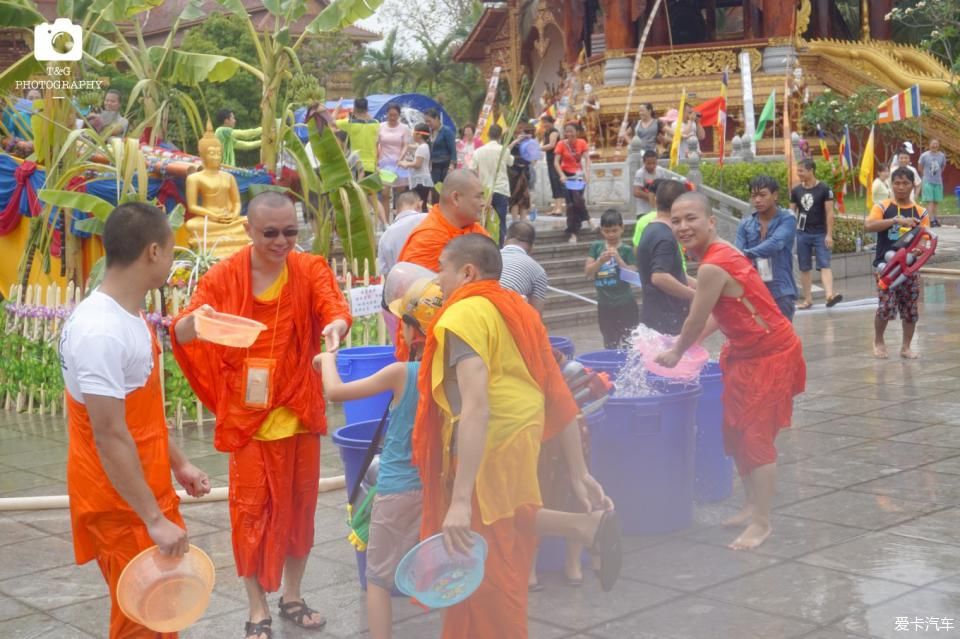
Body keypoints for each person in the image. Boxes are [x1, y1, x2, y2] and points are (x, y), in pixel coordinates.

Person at [417, 233, 620, 638]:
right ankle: (587, 527)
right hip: (521, 437)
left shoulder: (465, 314)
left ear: (468, 272)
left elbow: (477, 406)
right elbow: (555, 389)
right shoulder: (520, 308)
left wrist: (459, 500)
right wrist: (579, 473)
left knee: (484, 567)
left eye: (442, 267)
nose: (437, 280)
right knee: (509, 522)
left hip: (487, 444)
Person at [171, 192, 351, 639]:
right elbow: (182, 329)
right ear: (249, 231)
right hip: (249, 419)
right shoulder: (225, 275)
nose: (281, 241)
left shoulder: (309, 269)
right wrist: (200, 320)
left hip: (298, 412)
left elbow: (334, 307)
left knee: (300, 511)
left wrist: (336, 327)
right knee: (250, 514)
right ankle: (257, 610)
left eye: (290, 231)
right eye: (270, 232)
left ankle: (292, 596)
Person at [59, 202, 211, 638]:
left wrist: (177, 463)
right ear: (152, 252)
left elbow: (137, 418)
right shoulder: (99, 331)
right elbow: (108, 435)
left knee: (162, 616)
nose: (171, 260)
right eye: (171, 251)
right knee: (141, 622)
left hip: (143, 489)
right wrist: (152, 519)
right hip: (121, 503)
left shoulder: (128, 314)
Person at [655, 192, 805, 551]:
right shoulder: (715, 257)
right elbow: (718, 316)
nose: (682, 227)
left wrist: (677, 351)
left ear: (711, 222)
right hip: (744, 354)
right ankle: (751, 505)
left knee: (755, 438)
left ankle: (761, 522)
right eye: (675, 220)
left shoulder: (713, 264)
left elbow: (694, 317)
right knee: (736, 433)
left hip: (771, 356)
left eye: (691, 218)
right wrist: (683, 344)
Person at [314, 271, 441, 639]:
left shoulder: (401, 373)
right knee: (438, 571)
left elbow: (336, 393)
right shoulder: (450, 374)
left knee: (378, 580)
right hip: (436, 489)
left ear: (413, 332)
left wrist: (327, 360)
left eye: (403, 323)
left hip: (398, 489)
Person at [864, 167, 931, 360]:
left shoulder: (920, 212)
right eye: (897, 183)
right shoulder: (883, 207)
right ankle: (878, 340)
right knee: (886, 307)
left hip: (909, 269)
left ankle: (906, 347)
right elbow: (869, 225)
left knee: (910, 309)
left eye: (905, 183)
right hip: (885, 268)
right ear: (891, 185)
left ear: (913, 185)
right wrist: (894, 220)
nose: (900, 187)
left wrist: (919, 249)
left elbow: (924, 238)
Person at [737, 176, 799, 320]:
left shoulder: (787, 219)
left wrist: (746, 254)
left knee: (782, 339)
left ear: (775, 195)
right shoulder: (745, 224)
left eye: (762, 195)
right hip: (753, 290)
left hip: (781, 290)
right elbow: (738, 251)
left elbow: (775, 243)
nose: (757, 200)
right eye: (754, 196)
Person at [637, 180, 695, 335]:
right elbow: (660, 277)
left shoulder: (651, 229)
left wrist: (702, 287)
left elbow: (674, 273)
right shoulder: (665, 237)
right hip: (666, 322)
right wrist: (693, 295)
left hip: (656, 317)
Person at [790, 159, 842, 310]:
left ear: (811, 170)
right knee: (804, 267)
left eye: (801, 171)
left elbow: (830, 212)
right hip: (802, 233)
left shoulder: (824, 188)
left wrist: (829, 235)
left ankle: (829, 295)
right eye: (798, 171)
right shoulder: (796, 191)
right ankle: (808, 299)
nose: (799, 174)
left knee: (825, 264)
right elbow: (791, 213)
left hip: (820, 233)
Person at [585, 209, 640, 349]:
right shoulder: (596, 247)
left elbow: (632, 276)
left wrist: (618, 259)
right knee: (610, 342)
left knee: (630, 342)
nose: (611, 234)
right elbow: (588, 272)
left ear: (622, 228)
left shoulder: (627, 250)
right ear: (601, 230)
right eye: (606, 231)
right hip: (604, 303)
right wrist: (600, 261)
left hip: (625, 302)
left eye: (614, 230)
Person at [471, 124, 520, 246]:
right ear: (500, 136)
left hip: (484, 191)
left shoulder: (478, 151)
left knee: (483, 220)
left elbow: (472, 169)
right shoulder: (504, 150)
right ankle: (499, 247)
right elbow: (511, 162)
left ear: (488, 135)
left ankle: (483, 244)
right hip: (501, 189)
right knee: (501, 221)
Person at [499, 221, 549, 315]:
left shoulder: (491, 256)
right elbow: (536, 316)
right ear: (532, 247)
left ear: (505, 239)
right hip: (506, 317)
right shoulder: (538, 271)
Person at [554, 123, 591, 244]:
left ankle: (573, 231)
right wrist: (562, 175)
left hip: (579, 176)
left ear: (577, 132)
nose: (569, 134)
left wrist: (587, 172)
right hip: (567, 177)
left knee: (577, 201)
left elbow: (587, 159)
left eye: (571, 131)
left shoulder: (582, 142)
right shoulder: (561, 144)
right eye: (567, 132)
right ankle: (586, 221)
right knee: (571, 205)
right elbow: (556, 162)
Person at [377, 190, 427, 276]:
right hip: (429, 284)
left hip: (399, 285)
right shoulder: (428, 219)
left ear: (396, 211)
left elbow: (384, 272)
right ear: (419, 204)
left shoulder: (385, 237)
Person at [377, 102, 411, 218]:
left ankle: (399, 218)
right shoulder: (380, 126)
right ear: (386, 114)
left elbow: (406, 145)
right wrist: (377, 159)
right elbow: (377, 144)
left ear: (399, 115)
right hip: (384, 163)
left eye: (395, 115)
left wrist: (401, 158)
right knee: (385, 193)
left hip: (399, 163)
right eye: (390, 115)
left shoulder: (404, 128)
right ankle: (386, 221)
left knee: (399, 194)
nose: (392, 118)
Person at [335, 97, 380, 178]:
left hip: (355, 166)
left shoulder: (350, 123)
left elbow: (329, 122)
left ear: (354, 108)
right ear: (367, 109)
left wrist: (337, 108)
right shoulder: (376, 123)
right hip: (371, 166)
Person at [398, 123, 433, 208]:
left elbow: (417, 164)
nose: (412, 135)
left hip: (420, 181)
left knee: (420, 205)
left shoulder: (422, 147)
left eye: (413, 133)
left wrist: (405, 164)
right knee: (421, 204)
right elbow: (411, 146)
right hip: (420, 180)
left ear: (419, 135)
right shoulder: (422, 146)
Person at [425, 108, 457, 197]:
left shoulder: (446, 131)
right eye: (426, 122)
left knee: (444, 190)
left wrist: (452, 165)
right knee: (434, 190)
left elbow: (453, 149)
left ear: (436, 118)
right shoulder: (430, 133)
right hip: (434, 166)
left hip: (445, 166)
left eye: (429, 121)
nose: (428, 124)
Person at [632, 149, 668, 221]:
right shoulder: (640, 173)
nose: (652, 166)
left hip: (657, 210)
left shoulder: (660, 171)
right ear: (644, 162)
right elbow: (636, 192)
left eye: (654, 163)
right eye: (649, 163)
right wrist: (653, 198)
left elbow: (665, 187)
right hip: (643, 211)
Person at [540, 115, 565, 216]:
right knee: (553, 183)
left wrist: (537, 149)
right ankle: (556, 207)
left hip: (556, 160)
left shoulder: (553, 132)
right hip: (550, 160)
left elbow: (551, 145)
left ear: (551, 122)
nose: (545, 124)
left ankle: (559, 208)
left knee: (556, 182)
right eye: (543, 122)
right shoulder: (546, 132)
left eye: (546, 122)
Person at [918, 139, 945, 227]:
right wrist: (925, 176)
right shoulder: (924, 155)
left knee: (936, 201)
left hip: (938, 182)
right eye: (933, 144)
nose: (934, 146)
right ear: (929, 145)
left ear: (939, 145)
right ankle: (931, 220)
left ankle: (935, 219)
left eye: (936, 144)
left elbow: (943, 166)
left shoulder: (942, 156)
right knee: (930, 201)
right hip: (927, 181)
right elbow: (920, 167)